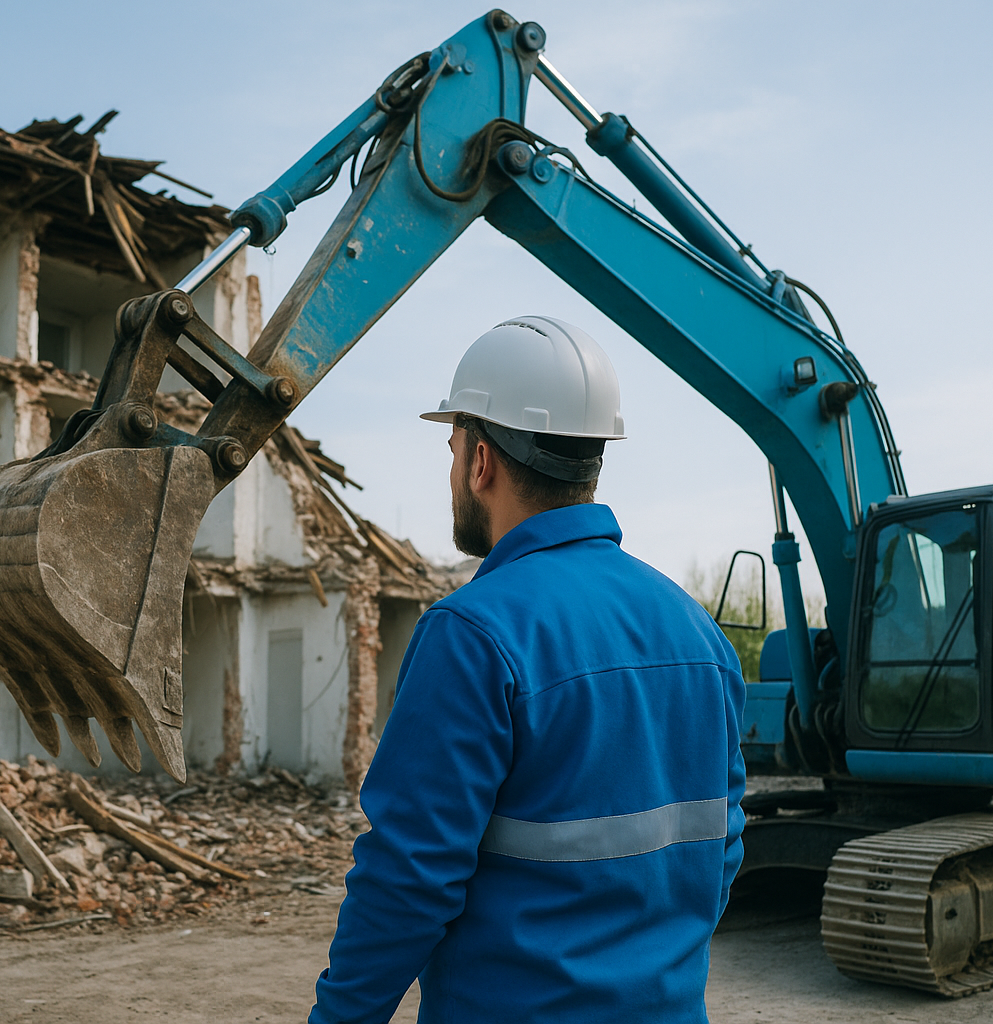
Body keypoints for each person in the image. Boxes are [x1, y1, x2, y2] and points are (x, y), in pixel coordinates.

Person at [308, 316, 746, 1023]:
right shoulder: (698, 632)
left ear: (481, 460)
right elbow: (720, 848)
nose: (452, 470)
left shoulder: (473, 633)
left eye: (452, 448)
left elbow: (407, 879)